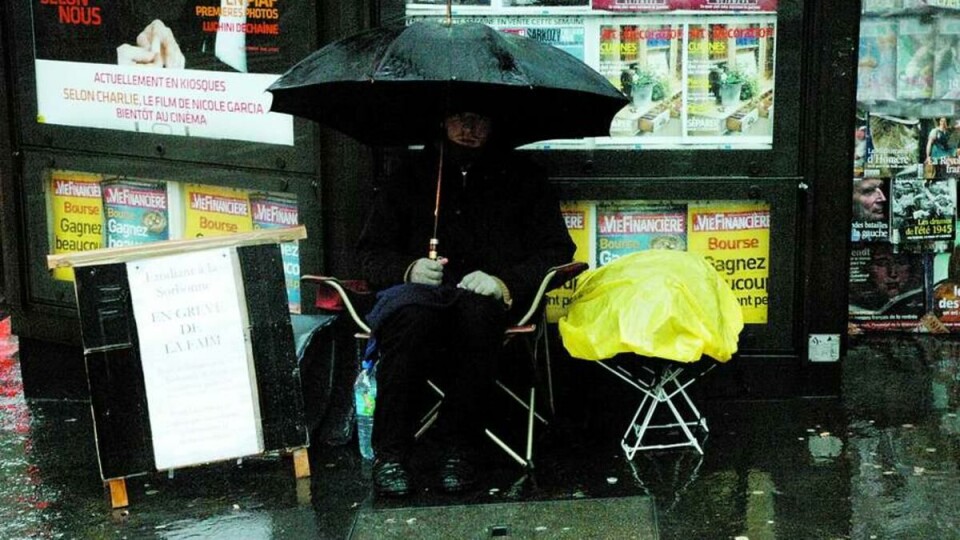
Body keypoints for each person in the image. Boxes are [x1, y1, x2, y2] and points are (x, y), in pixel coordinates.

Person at [356, 110, 576, 497]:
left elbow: (557, 251)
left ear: (495, 125)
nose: (469, 129)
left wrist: (504, 282)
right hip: (418, 299)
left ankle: (458, 448)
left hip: (485, 301)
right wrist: (408, 269)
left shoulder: (523, 177)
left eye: (480, 119)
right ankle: (390, 453)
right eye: (459, 118)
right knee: (409, 319)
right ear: (442, 121)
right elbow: (369, 254)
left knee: (477, 316)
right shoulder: (410, 175)